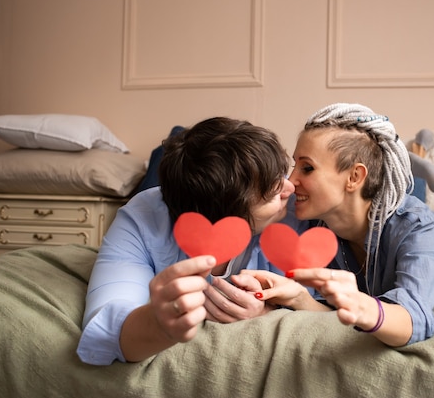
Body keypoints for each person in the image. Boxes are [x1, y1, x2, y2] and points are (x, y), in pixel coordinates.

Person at [247, 103, 434, 348]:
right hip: (420, 227)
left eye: (307, 168)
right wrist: (297, 298)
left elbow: (415, 320)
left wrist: (362, 303)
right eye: (294, 166)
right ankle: (418, 162)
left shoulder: (417, 226)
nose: (291, 181)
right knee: (402, 209)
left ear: (354, 177)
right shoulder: (317, 224)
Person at [77, 117, 308, 365]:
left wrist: (268, 311)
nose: (290, 188)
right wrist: (158, 325)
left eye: (280, 174)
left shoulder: (300, 206)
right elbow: (106, 331)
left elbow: (323, 303)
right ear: (227, 217)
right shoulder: (140, 219)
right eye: (272, 192)